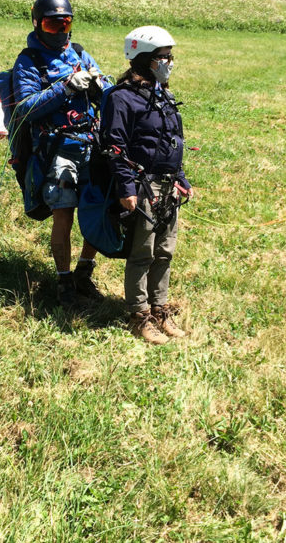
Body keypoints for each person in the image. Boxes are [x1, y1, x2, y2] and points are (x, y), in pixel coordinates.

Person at [12, 0, 110, 307]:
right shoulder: (29, 60)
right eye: (53, 25)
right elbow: (25, 107)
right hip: (57, 149)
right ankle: (64, 281)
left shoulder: (80, 53)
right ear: (38, 25)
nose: (61, 30)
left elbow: (107, 91)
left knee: (98, 208)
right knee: (64, 214)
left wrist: (99, 86)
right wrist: (64, 87)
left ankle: (84, 271)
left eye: (65, 23)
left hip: (90, 145)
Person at [100, 25, 192, 345]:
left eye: (170, 57)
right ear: (142, 59)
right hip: (142, 186)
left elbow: (172, 140)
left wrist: (181, 178)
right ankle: (138, 315)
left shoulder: (163, 94)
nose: (169, 63)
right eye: (162, 58)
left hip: (168, 185)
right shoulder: (121, 98)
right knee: (143, 252)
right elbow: (114, 146)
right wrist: (126, 187)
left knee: (165, 251)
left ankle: (159, 308)